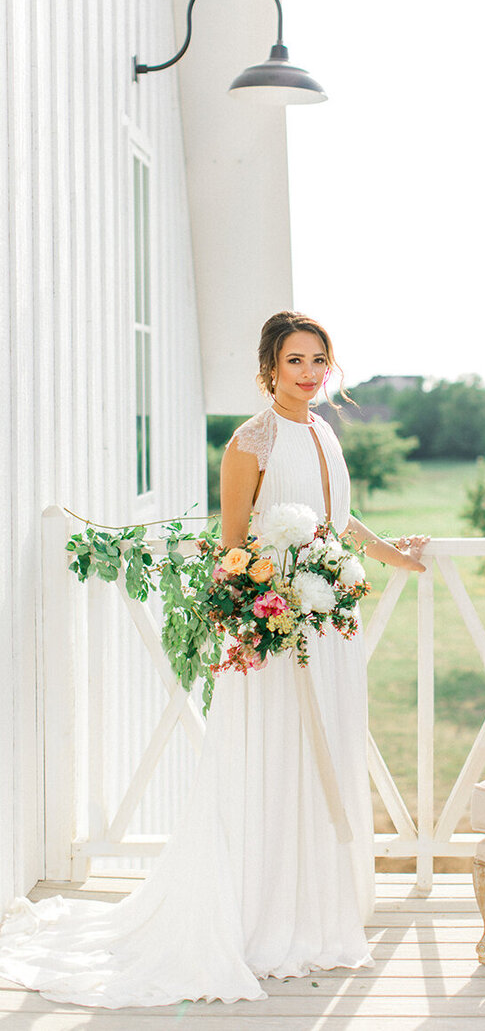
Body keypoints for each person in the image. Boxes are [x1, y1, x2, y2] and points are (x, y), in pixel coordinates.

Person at [0, 311, 427, 1007]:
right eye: (295, 360)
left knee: (324, 760)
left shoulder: (324, 431)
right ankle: (261, 916)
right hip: (276, 639)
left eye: (319, 359)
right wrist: (273, 604)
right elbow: (233, 551)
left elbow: (337, 520)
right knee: (271, 763)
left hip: (329, 633)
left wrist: (394, 557)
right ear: (269, 369)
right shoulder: (249, 442)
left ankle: (319, 910)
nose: (310, 372)